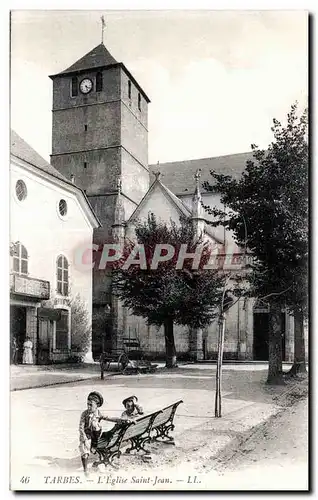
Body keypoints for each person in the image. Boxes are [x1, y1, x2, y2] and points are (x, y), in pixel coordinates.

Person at [79, 391, 134, 475]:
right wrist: (85, 438)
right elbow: (81, 427)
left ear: (97, 405)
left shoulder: (98, 413)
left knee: (95, 424)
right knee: (84, 450)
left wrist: (122, 420)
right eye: (88, 404)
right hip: (86, 436)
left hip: (95, 437)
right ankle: (85, 470)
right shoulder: (84, 414)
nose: (89, 407)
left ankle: (94, 445)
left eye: (91, 405)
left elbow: (110, 418)